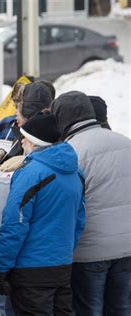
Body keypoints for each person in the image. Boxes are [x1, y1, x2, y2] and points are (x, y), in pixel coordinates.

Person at [0, 112, 86, 315]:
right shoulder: (76, 173)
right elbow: (79, 221)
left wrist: (1, 267)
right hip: (61, 267)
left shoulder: (30, 173)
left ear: (34, 142)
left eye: (24, 137)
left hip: (30, 271)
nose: (21, 140)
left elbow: (14, 224)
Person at [51, 91, 131, 316]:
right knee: (122, 309)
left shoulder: (70, 152)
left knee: (89, 310)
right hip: (127, 247)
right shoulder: (125, 142)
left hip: (89, 251)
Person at [0, 81, 53, 172]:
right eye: (15, 106)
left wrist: (27, 161)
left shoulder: (53, 136)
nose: (15, 112)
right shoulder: (6, 126)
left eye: (18, 107)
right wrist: (1, 157)